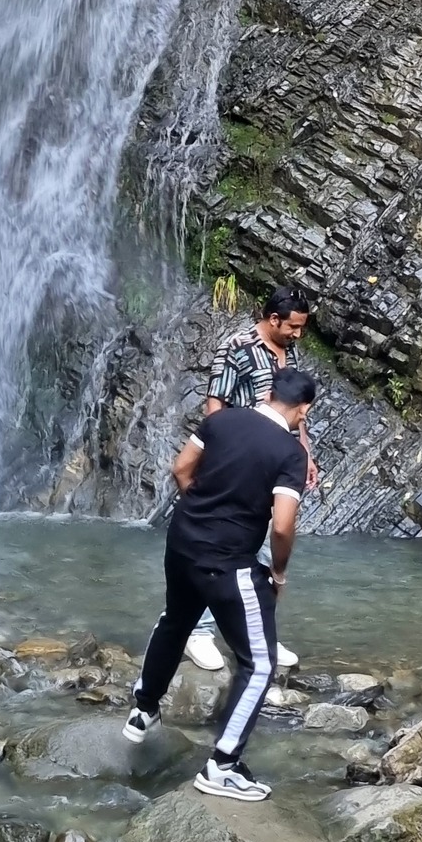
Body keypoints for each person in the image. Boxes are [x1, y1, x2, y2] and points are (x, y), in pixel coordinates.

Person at [124, 360, 316, 800]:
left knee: (177, 620)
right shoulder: (290, 453)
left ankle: (143, 710)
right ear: (302, 410)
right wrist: (279, 572)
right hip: (228, 560)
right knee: (261, 663)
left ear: (269, 394)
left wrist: (200, 511)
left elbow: (181, 468)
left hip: (182, 542)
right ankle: (222, 766)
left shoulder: (222, 418)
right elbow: (283, 526)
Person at [187, 286, 314, 673]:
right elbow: (215, 404)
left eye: (301, 328)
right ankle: (198, 631)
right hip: (240, 460)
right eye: (293, 327)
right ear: (273, 319)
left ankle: (256, 632)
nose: (298, 335)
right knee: (228, 545)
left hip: (278, 460)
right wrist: (215, 459)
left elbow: (296, 414)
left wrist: (305, 453)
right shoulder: (237, 347)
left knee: (259, 544)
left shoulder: (288, 350)